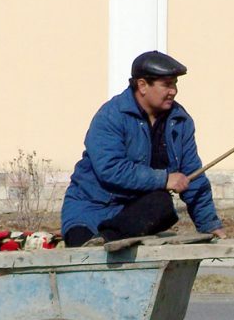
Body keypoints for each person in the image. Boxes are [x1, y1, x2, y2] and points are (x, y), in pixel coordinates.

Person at [61, 51, 224, 247]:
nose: (173, 91)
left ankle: (106, 241)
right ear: (142, 85)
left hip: (132, 217)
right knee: (82, 251)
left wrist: (208, 224)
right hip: (90, 210)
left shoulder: (181, 122)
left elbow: (193, 176)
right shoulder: (111, 115)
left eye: (175, 84)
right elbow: (111, 169)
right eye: (166, 84)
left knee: (162, 204)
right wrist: (163, 179)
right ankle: (99, 241)